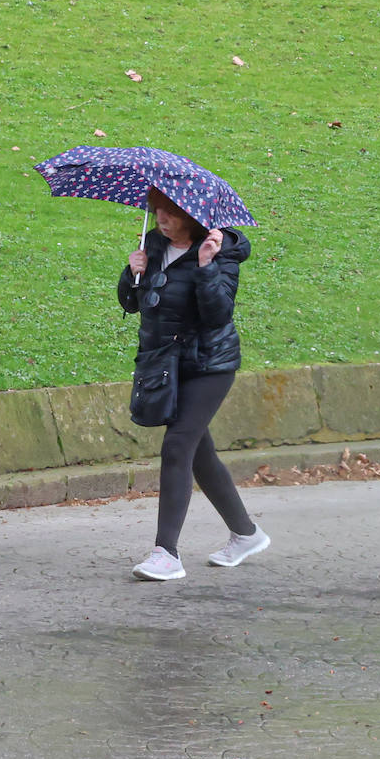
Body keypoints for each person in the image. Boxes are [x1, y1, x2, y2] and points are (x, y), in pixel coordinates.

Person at [117, 187, 269, 581]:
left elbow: (217, 314)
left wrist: (206, 267)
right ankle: (246, 534)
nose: (161, 220)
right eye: (157, 212)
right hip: (165, 364)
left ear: (192, 215)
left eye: (169, 213)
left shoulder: (222, 250)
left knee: (178, 444)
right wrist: (130, 273)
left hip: (209, 365)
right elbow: (134, 305)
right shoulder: (153, 244)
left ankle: (165, 553)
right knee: (199, 453)